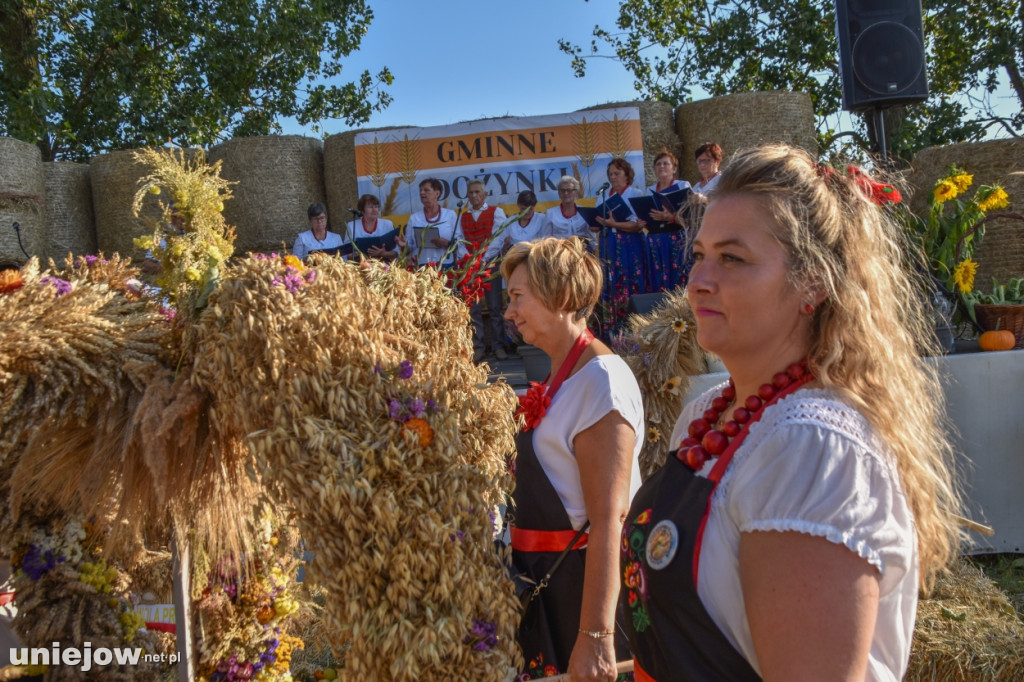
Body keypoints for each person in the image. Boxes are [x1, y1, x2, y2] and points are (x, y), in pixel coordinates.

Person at [620, 145, 962, 681]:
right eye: (700, 254)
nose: (698, 281)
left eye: (732, 258)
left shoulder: (811, 447)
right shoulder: (708, 414)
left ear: (812, 283)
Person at [502, 237, 644, 681]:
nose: (508, 313)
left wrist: (596, 636)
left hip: (586, 592)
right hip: (554, 586)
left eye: (517, 297)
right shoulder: (564, 374)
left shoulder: (601, 381)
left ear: (559, 296)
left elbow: (610, 519)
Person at [594, 158, 646, 333]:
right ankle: (612, 328)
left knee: (630, 279)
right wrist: (595, 221)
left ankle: (633, 326)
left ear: (626, 174)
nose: (613, 177)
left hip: (628, 244)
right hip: (608, 242)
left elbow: (637, 225)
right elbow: (596, 225)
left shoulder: (635, 194)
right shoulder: (603, 195)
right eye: (610, 174)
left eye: (617, 173)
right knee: (609, 282)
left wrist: (613, 224)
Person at [462, 179, 508, 362]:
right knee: (473, 309)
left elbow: (499, 238)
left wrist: (483, 259)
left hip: (489, 265)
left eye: (477, 192)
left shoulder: (496, 212)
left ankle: (499, 346)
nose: (473, 196)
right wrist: (470, 261)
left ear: (485, 194)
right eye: (470, 193)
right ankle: (478, 347)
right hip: (470, 267)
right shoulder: (463, 216)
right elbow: (459, 239)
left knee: (495, 306)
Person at [641, 148, 693, 291]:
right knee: (657, 277)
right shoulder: (650, 189)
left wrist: (669, 217)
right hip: (655, 238)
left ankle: (679, 309)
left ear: (674, 169)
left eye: (666, 163)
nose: (661, 166)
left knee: (678, 275)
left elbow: (690, 216)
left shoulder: (683, 185)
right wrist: (643, 222)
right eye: (658, 164)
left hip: (676, 237)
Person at [405, 178, 464, 268]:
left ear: (437, 193)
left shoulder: (450, 215)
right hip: (422, 266)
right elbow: (409, 248)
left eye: (426, 190)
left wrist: (447, 243)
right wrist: (403, 246)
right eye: (420, 190)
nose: (422, 193)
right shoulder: (414, 218)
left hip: (445, 265)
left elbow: (460, 243)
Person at [348, 194, 402, 262]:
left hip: (384, 267)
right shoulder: (352, 226)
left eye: (376, 207)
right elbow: (346, 254)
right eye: (370, 207)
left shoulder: (388, 224)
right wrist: (354, 255)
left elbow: (396, 253)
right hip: (361, 267)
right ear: (362, 210)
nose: (374, 210)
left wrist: (384, 253)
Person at [543, 176, 593, 248]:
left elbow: (592, 239)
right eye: (562, 190)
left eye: (569, 190)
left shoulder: (585, 212)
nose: (566, 193)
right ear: (559, 193)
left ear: (576, 192)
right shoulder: (550, 213)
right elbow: (545, 240)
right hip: (559, 254)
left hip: (582, 253)